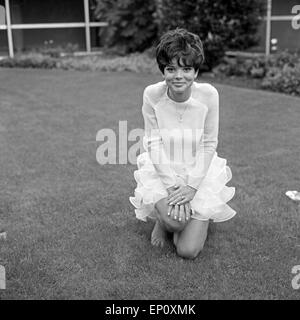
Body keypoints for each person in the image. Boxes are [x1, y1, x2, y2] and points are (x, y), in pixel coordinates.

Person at [129, 28, 236, 259]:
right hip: (163, 168)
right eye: (171, 69)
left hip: (198, 170)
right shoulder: (152, 94)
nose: (179, 76)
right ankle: (164, 222)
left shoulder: (209, 95)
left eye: (186, 68)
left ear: (196, 72)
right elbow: (153, 143)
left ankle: (193, 218)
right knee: (175, 223)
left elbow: (209, 144)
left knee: (187, 250)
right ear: (163, 71)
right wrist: (172, 188)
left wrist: (192, 187)